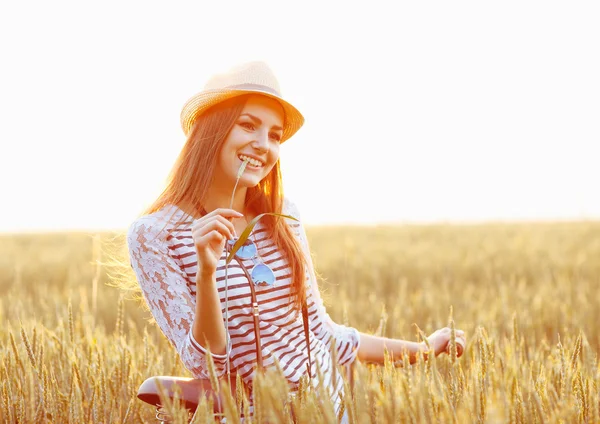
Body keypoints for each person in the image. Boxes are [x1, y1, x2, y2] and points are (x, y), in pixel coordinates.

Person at [126, 61, 466, 421]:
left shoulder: (283, 215)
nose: (263, 145)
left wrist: (422, 349)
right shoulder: (155, 235)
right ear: (211, 129)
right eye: (248, 125)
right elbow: (207, 365)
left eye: (274, 135)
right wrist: (207, 273)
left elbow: (323, 333)